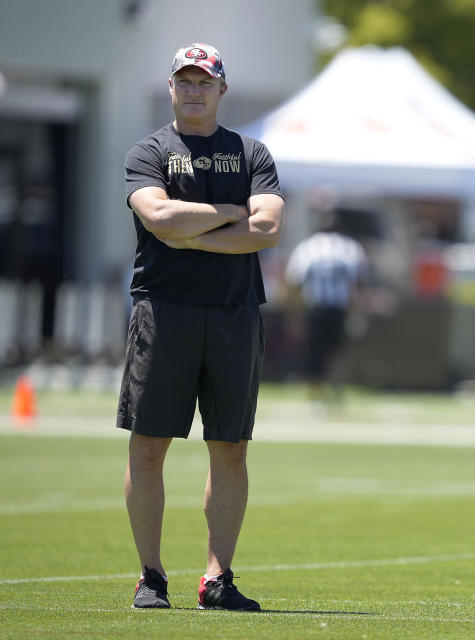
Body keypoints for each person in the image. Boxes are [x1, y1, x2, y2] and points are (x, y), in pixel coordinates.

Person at [118, 42, 284, 611]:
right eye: (184, 80)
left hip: (235, 314)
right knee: (149, 447)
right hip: (164, 311)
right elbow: (159, 218)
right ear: (171, 87)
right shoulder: (149, 152)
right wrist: (233, 211)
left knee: (230, 448)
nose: (193, 90)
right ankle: (151, 576)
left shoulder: (252, 153)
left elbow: (267, 230)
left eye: (204, 81)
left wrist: (193, 233)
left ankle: (217, 579)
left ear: (221, 89)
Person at [284, 208, 368, 407]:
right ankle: (336, 392)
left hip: (316, 308)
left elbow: (293, 283)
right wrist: (359, 312)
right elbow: (359, 284)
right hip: (338, 308)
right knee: (337, 351)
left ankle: (316, 396)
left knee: (316, 353)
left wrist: (293, 314)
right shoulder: (350, 247)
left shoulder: (307, 248)